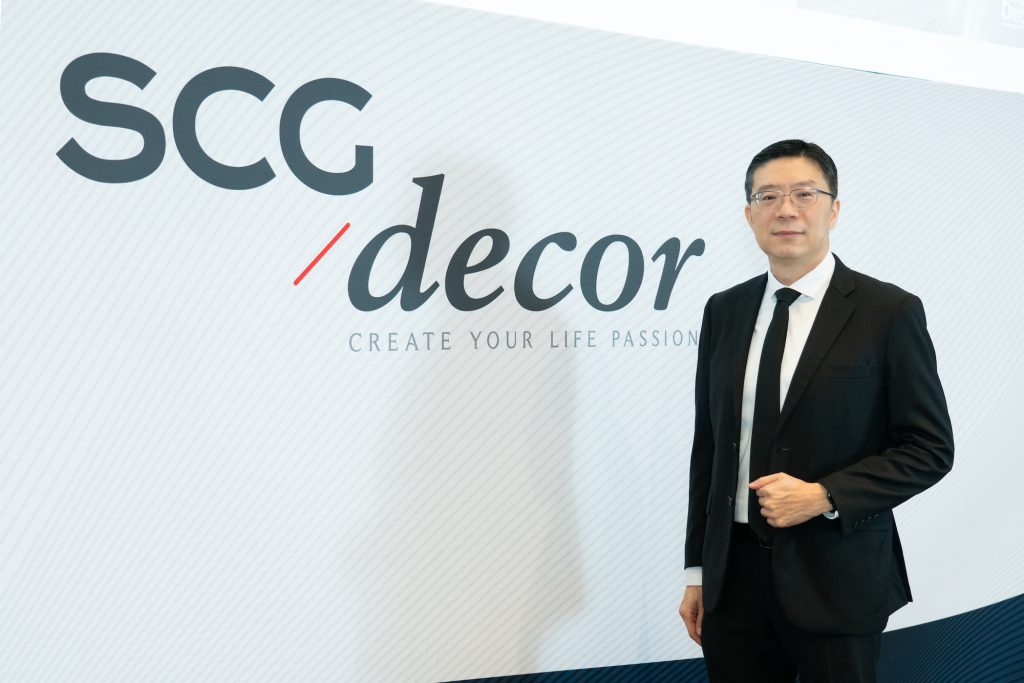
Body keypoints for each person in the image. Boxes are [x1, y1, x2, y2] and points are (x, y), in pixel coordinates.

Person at [677, 140, 954, 682]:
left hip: (837, 577)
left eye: (804, 194)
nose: (786, 209)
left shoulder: (887, 311)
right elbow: (708, 448)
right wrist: (698, 570)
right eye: (768, 196)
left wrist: (824, 496)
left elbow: (929, 449)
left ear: (834, 209)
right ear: (749, 214)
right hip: (733, 580)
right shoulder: (724, 310)